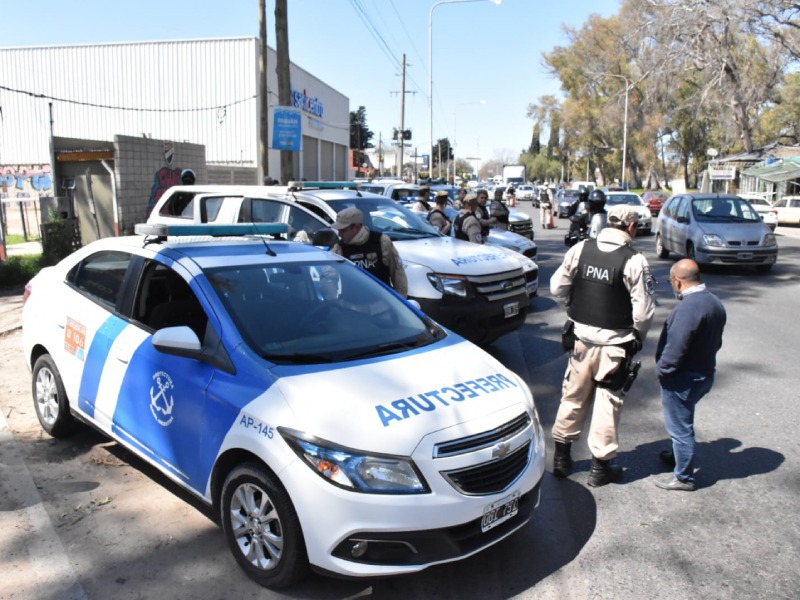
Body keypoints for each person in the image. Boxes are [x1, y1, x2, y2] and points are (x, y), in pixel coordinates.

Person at [550, 204, 656, 487]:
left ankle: (561, 459)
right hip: (615, 346)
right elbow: (643, 312)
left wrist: (574, 308)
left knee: (572, 396)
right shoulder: (635, 260)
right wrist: (638, 338)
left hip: (581, 341)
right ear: (632, 227)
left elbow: (556, 288)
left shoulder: (580, 249)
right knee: (608, 404)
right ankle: (600, 469)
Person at [654, 259, 726, 492]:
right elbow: (717, 342)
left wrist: (663, 371)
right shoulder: (714, 302)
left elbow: (676, 347)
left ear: (677, 280)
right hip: (704, 373)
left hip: (683, 378)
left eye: (670, 281)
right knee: (683, 420)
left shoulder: (688, 308)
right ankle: (679, 456)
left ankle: (684, 477)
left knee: (680, 427)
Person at [330, 207, 408, 297]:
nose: (340, 234)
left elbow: (398, 273)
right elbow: (328, 277)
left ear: (357, 227)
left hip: (382, 305)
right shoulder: (339, 249)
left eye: (343, 230)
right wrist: (333, 302)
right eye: (339, 230)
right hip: (352, 307)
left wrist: (401, 302)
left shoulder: (382, 242)